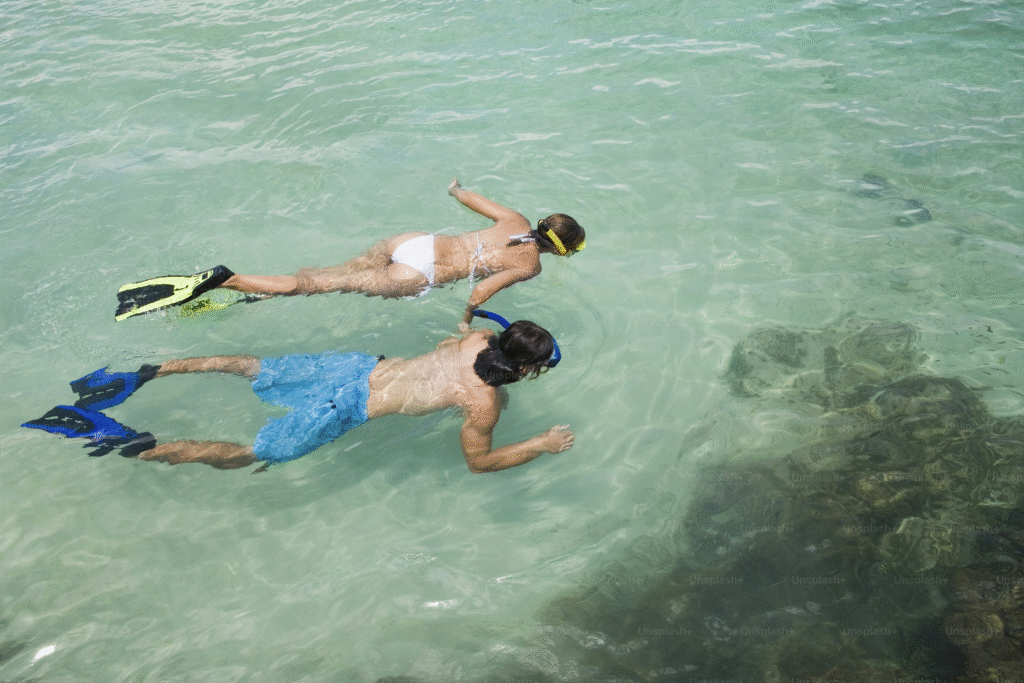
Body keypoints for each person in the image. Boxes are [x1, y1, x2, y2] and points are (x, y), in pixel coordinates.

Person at [23, 317, 575, 473]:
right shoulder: (484, 404)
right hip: (349, 407)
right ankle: (129, 442)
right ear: (526, 368)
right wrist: (541, 444)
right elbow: (478, 461)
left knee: (251, 366)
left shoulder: (475, 338)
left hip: (356, 366)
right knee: (256, 454)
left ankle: (142, 374)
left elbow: (449, 340)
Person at [115, 179, 586, 325]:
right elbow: (483, 289)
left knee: (327, 276)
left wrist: (456, 186)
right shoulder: (530, 265)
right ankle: (229, 278)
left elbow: (462, 195)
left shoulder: (515, 221)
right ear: (559, 251)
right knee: (316, 285)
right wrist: (465, 320)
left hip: (414, 241)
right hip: (415, 275)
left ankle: (251, 294)